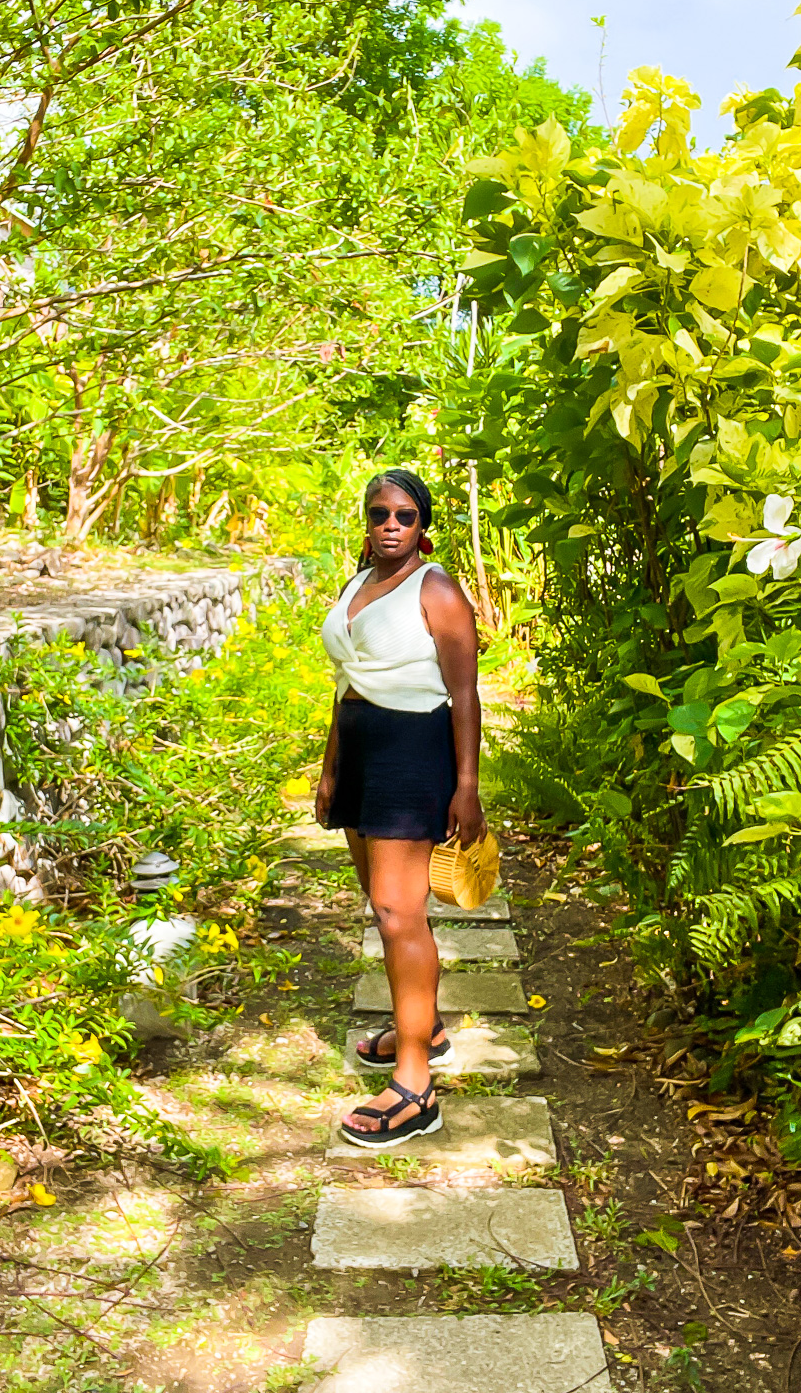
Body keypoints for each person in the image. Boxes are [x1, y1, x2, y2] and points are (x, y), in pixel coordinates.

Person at [317, 468, 485, 1147]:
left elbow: (465, 693)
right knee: (382, 905)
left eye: (405, 515)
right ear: (367, 519)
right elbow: (346, 682)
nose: (391, 524)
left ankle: (416, 1089)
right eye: (380, 513)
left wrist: (467, 787)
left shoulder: (435, 587)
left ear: (424, 524)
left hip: (412, 752)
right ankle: (426, 1027)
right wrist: (330, 769)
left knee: (398, 912)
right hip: (360, 750)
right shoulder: (359, 582)